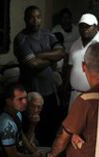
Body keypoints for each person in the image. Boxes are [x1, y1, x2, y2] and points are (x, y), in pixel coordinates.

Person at [13, 5, 66, 146]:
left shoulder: (47, 34)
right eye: (31, 17)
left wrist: (41, 55)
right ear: (25, 19)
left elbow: (62, 52)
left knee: (50, 127)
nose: (35, 21)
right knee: (33, 130)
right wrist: (53, 58)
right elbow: (33, 64)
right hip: (32, 93)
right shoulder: (21, 39)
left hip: (49, 91)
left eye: (38, 17)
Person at [67, 13, 99, 110]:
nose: (84, 29)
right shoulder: (75, 44)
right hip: (74, 94)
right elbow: (69, 67)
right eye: (81, 26)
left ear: (95, 27)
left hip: (93, 96)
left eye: (88, 26)